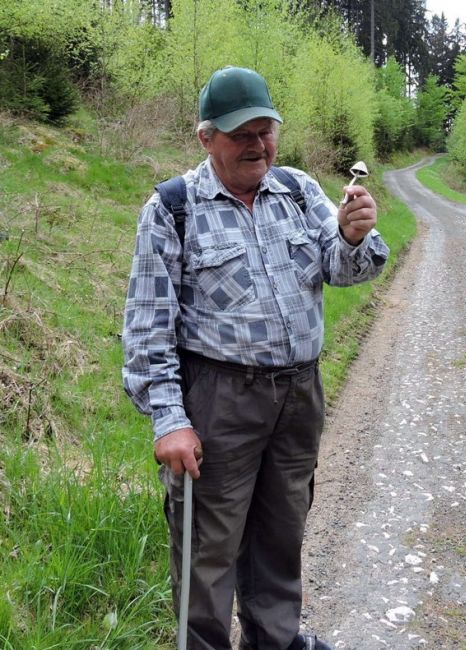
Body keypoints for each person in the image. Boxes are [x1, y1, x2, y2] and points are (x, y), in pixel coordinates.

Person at [122, 66, 389, 649]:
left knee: (282, 528)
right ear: (206, 136)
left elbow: (346, 270)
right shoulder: (173, 208)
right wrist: (169, 417)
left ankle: (275, 638)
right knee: (208, 544)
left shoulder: (297, 190)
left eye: (266, 129)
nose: (258, 144)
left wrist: (349, 236)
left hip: (298, 395)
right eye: (242, 133)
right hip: (220, 400)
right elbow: (147, 327)